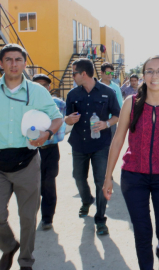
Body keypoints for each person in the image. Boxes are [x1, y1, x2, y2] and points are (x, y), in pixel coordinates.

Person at [0, 44, 63, 270]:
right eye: (8, 59)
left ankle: (26, 260)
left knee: (28, 217)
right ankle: (9, 246)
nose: (13, 64)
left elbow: (56, 118)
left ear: (25, 63)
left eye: (18, 59)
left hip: (27, 162)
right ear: (1, 63)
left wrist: (47, 134)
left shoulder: (37, 91)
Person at [102, 55, 159, 270]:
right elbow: (118, 139)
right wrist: (108, 176)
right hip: (134, 175)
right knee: (142, 231)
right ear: (143, 75)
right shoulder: (131, 103)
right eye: (149, 70)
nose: (154, 75)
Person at [65, 58, 120, 236]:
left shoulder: (107, 92)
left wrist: (106, 123)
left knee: (101, 181)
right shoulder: (72, 94)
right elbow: (66, 118)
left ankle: (100, 219)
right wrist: (69, 120)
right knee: (78, 177)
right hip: (79, 143)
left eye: (74, 73)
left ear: (83, 74)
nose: (72, 77)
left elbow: (117, 115)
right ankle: (87, 199)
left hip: (100, 145)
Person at [32, 74, 67, 230]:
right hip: (32, 151)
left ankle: (47, 218)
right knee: (35, 184)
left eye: (44, 85)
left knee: (49, 183)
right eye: (37, 85)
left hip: (51, 149)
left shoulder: (59, 104)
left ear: (49, 87)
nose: (41, 88)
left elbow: (63, 124)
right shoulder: (26, 105)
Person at [100, 62, 123, 138]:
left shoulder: (116, 88)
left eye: (111, 73)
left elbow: (120, 105)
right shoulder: (95, 86)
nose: (110, 75)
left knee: (111, 145)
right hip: (97, 121)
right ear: (101, 73)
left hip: (111, 121)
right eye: (107, 72)